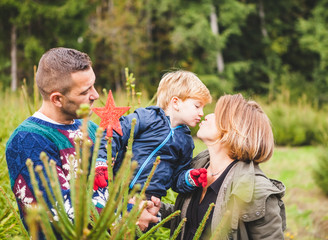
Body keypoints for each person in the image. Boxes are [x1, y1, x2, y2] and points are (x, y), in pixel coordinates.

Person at [5, 47, 159, 236]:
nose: (95, 95)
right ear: (57, 99)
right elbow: (58, 208)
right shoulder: (28, 140)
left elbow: (112, 184)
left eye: (93, 85)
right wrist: (127, 213)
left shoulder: (92, 131)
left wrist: (140, 204)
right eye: (85, 92)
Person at [157, 93, 286, 239]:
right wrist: (154, 210)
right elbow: (191, 221)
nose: (206, 116)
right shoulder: (197, 167)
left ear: (234, 128)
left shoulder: (256, 191)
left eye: (217, 115)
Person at [97, 70, 212, 200]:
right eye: (197, 106)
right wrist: (101, 161)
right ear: (176, 103)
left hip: (150, 199)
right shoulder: (146, 118)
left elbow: (176, 179)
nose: (201, 113)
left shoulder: (186, 141)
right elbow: (114, 133)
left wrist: (189, 178)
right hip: (118, 191)